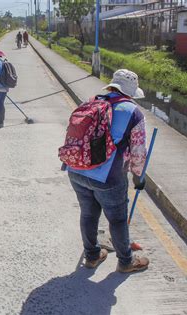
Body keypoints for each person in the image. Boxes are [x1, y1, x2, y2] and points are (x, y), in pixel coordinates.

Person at [66, 69, 150, 273]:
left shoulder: (91, 101)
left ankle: (92, 256)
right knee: (118, 219)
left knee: (88, 213)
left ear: (112, 86)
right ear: (130, 92)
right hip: (107, 178)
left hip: (76, 169)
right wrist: (139, 177)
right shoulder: (133, 112)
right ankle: (126, 261)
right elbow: (138, 152)